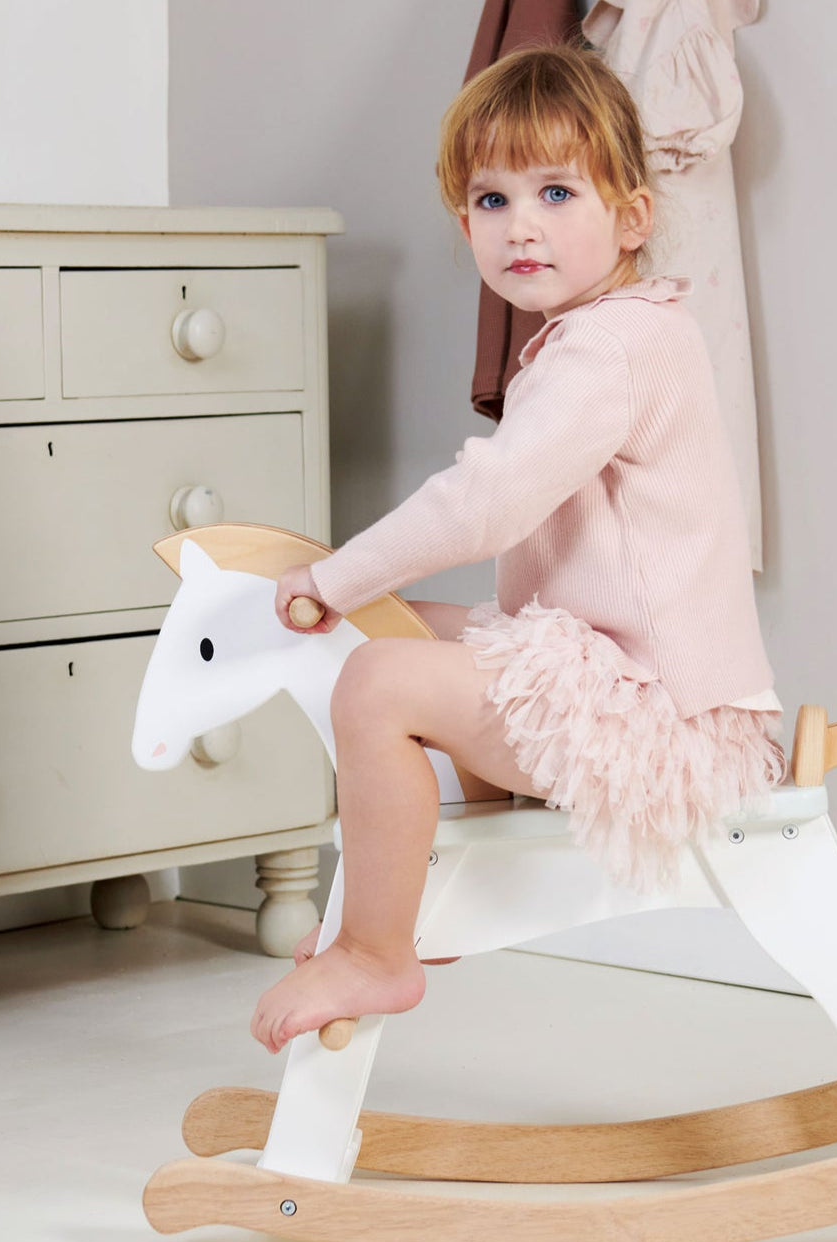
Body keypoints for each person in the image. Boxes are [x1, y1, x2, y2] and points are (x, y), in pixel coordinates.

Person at [250, 44, 784, 1054]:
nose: (520, 225)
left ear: (632, 218)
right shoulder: (607, 333)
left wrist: (333, 576)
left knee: (374, 677)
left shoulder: (609, 350)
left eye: (556, 192)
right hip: (614, 673)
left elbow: (485, 505)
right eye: (492, 200)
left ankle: (375, 949)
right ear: (467, 227)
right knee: (399, 630)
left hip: (655, 721)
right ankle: (419, 887)